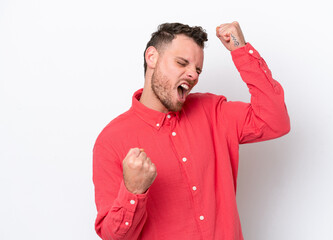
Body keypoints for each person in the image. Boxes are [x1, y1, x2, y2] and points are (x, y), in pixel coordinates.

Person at [93, 21, 290, 240]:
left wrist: (240, 50)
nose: (193, 75)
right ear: (152, 57)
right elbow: (113, 236)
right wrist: (133, 191)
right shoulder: (111, 140)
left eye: (197, 70)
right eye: (181, 63)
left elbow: (275, 121)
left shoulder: (213, 112)